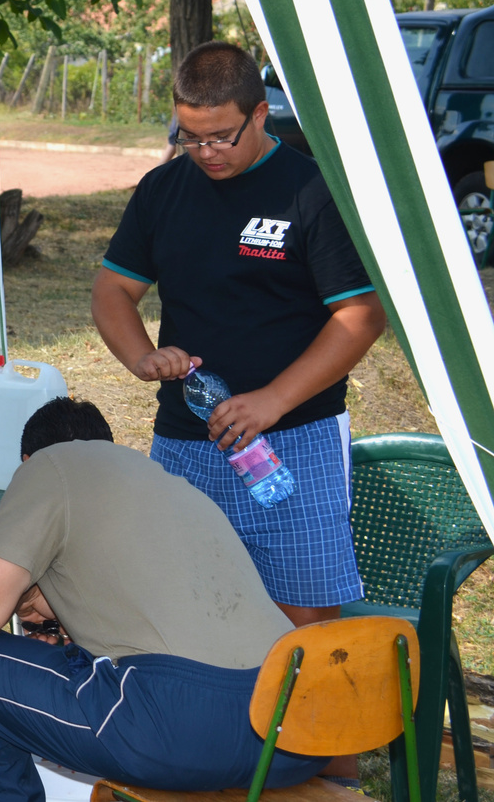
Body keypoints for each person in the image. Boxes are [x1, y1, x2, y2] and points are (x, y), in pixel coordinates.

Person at [90, 40, 386, 628]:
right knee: (186, 612)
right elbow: (111, 292)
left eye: (221, 136)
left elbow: (362, 317)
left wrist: (272, 401)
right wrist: (143, 358)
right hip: (185, 439)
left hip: (294, 441)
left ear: (258, 114)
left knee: (301, 623)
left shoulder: (310, 190)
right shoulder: (162, 190)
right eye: (190, 136)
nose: (205, 153)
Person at [0, 397, 328, 802]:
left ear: (26, 461)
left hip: (182, 725)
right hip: (298, 725)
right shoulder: (163, 479)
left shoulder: (49, 466)